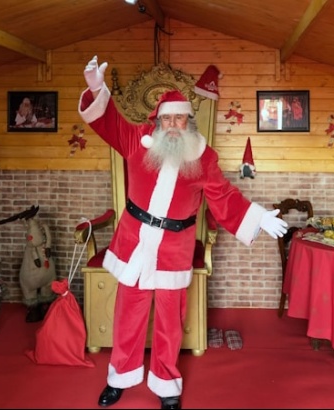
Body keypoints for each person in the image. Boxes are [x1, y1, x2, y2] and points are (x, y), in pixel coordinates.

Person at [78, 55, 288, 410]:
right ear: (157, 121)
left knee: (169, 322)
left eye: (179, 118)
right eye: (167, 118)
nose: (173, 124)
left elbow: (224, 196)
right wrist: (97, 91)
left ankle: (167, 385)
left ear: (188, 121)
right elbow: (109, 123)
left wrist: (257, 218)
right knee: (128, 316)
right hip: (135, 242)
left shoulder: (203, 157)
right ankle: (119, 378)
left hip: (174, 248)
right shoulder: (137, 140)